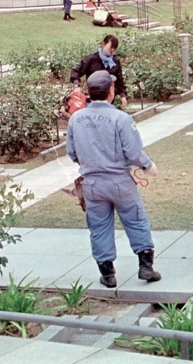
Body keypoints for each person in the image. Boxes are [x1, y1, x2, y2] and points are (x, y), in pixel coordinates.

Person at [67, 70, 161, 288]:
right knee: (136, 220)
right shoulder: (121, 118)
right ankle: (145, 266)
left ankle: (107, 273)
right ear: (111, 91)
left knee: (99, 226)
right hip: (120, 182)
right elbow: (134, 151)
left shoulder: (76, 119)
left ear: (89, 93)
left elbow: (72, 153)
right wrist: (148, 166)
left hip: (92, 184)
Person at [72, 35, 129, 109]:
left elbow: (120, 81)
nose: (112, 51)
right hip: (92, 101)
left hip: (108, 102)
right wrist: (76, 86)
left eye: (114, 49)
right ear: (103, 44)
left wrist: (123, 95)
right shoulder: (91, 59)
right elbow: (76, 72)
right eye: (110, 48)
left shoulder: (115, 62)